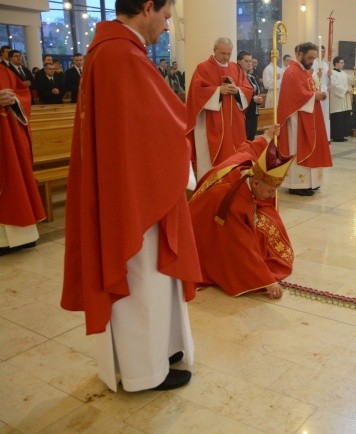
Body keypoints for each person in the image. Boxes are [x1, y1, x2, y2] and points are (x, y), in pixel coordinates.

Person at [61, 0, 202, 393]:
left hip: (131, 184)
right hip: (136, 195)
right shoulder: (122, 55)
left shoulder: (110, 51)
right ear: (146, 7)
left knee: (154, 279)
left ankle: (164, 349)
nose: (167, 26)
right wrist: (180, 151)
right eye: (167, 16)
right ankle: (145, 371)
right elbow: (165, 126)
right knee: (143, 279)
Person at [189, 125, 293, 299]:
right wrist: (267, 280)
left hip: (213, 217)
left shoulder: (248, 165)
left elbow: (249, 147)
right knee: (262, 228)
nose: (270, 196)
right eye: (269, 191)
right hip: (203, 232)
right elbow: (242, 246)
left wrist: (267, 136)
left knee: (268, 214)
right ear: (256, 184)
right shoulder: (235, 202)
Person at [186, 37, 253, 179]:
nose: (226, 57)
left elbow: (247, 88)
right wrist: (218, 91)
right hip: (212, 122)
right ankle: (210, 190)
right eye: (223, 53)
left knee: (236, 157)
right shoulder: (203, 68)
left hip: (234, 122)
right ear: (214, 50)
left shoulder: (235, 68)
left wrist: (237, 91)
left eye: (229, 53)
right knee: (211, 161)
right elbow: (196, 93)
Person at [0, 62, 46, 255]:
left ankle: (22, 237)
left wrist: (14, 99)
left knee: (13, 180)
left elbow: (23, 92)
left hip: (6, 137)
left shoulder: (3, 70)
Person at [277, 42, 331, 196]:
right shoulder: (291, 72)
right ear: (299, 54)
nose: (312, 61)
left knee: (312, 147)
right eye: (309, 58)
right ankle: (297, 184)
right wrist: (315, 95)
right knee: (297, 148)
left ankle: (311, 183)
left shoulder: (305, 71)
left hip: (308, 116)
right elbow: (296, 96)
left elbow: (308, 90)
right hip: (296, 121)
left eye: (313, 58)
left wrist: (318, 93)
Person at [237, 50, 263, 140]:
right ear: (239, 61)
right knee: (245, 139)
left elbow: (256, 92)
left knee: (251, 138)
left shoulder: (251, 77)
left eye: (250, 61)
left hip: (254, 112)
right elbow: (238, 95)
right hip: (244, 113)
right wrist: (253, 99)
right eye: (246, 61)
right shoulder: (237, 77)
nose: (249, 63)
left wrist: (259, 100)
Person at [329, 56, 353, 142]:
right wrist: (346, 90)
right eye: (341, 63)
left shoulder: (343, 73)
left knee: (343, 118)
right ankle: (336, 136)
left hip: (344, 99)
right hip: (337, 100)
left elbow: (351, 81)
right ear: (336, 63)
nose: (343, 64)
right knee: (337, 118)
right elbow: (334, 85)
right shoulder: (331, 73)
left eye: (343, 62)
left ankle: (342, 135)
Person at [312, 45, 331, 140]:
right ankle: (318, 135)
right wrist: (316, 75)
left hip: (324, 89)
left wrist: (329, 75)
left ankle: (326, 136)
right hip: (317, 90)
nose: (323, 53)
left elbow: (327, 80)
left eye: (324, 51)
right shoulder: (313, 63)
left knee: (325, 114)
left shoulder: (325, 64)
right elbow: (310, 75)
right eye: (321, 51)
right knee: (319, 113)